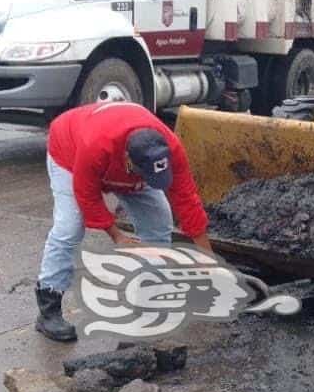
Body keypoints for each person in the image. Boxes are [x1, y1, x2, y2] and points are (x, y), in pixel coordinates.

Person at [35, 101, 213, 342]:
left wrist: (207, 261)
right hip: (69, 152)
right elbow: (87, 196)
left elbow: (187, 199)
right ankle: (49, 308)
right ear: (129, 161)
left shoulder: (169, 147)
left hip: (121, 163)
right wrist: (117, 235)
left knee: (160, 221)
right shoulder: (95, 146)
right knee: (69, 228)